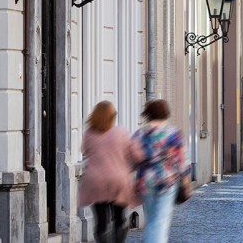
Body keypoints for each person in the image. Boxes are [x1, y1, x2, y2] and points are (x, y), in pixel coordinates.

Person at [79, 101, 143, 243]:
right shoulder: (121, 132)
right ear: (112, 117)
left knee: (101, 221)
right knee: (120, 218)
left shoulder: (89, 134)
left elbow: (85, 150)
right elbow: (137, 155)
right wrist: (131, 167)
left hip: (96, 181)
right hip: (119, 180)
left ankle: (103, 239)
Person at [133, 100, 188, 243]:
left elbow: (133, 158)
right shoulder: (173, 134)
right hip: (166, 181)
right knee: (160, 220)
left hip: (145, 181)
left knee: (151, 219)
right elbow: (181, 161)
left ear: (148, 114)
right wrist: (186, 182)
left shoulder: (140, 134)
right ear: (165, 113)